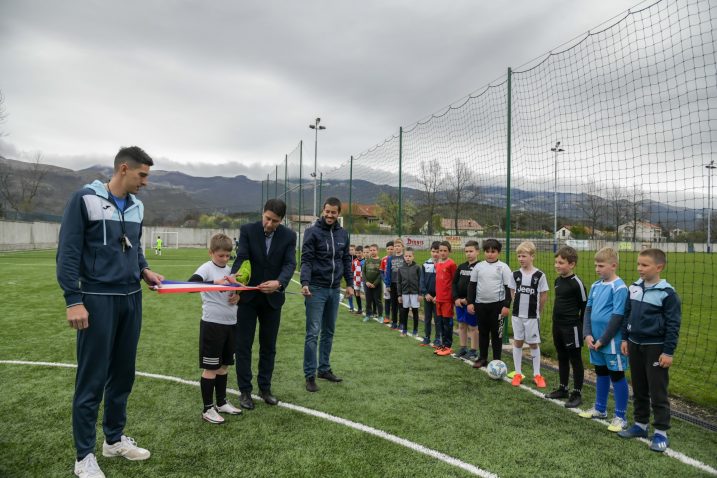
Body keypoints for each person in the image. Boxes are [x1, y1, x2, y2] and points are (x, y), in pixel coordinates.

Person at [57, 146, 164, 478]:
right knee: (92, 378)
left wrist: (144, 269)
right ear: (123, 169)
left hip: (131, 299)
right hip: (97, 298)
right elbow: (68, 251)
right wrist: (73, 299)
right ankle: (84, 456)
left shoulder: (137, 206)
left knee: (123, 374)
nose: (145, 182)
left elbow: (136, 246)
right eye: (141, 175)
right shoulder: (84, 200)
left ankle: (114, 439)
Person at [230, 199, 296, 409]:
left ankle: (265, 388)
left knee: (269, 347)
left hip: (272, 300)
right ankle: (245, 391)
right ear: (262, 213)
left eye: (274, 221)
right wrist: (236, 285)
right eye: (267, 219)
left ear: (281, 220)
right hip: (248, 299)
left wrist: (279, 283)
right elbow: (242, 258)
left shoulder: (289, 236)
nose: (269, 224)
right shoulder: (248, 230)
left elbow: (289, 263)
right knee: (243, 346)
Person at [618, 249, 682, 452]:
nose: (639, 268)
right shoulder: (634, 287)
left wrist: (668, 352)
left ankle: (661, 432)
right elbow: (627, 314)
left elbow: (673, 325)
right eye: (638, 264)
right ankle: (640, 424)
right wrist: (625, 338)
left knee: (657, 390)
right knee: (638, 387)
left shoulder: (668, 294)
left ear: (659, 267)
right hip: (634, 345)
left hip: (656, 348)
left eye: (644, 265)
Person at [188, 233, 243, 423]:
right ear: (211, 252)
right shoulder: (207, 268)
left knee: (224, 366)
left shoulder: (230, 270)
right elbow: (190, 286)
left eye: (228, 255)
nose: (225, 259)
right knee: (211, 368)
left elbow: (235, 293)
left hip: (231, 324)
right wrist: (214, 283)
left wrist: (238, 296)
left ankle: (221, 403)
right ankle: (207, 409)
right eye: (221, 255)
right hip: (212, 325)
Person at [301, 197, 354, 392]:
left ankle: (324, 369)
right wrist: (305, 282)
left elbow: (346, 260)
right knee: (313, 333)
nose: (330, 215)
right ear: (323, 211)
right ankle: (310, 375)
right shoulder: (312, 232)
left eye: (334, 212)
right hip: (316, 288)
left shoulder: (343, 234)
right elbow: (306, 259)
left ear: (339, 213)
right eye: (327, 212)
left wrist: (349, 283)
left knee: (329, 332)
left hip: (334, 290)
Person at [578, 247, 630, 433]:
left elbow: (618, 317)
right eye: (595, 265)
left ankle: (621, 416)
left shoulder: (620, 287)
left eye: (601, 265)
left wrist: (604, 339)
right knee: (600, 372)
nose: (597, 269)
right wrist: (587, 334)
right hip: (595, 340)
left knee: (617, 375)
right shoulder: (595, 285)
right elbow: (588, 311)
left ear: (613, 265)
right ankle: (600, 408)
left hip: (612, 343)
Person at [545, 246, 587, 408]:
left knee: (575, 359)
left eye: (561, 263)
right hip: (558, 326)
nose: (557, 265)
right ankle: (563, 388)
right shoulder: (557, 281)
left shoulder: (577, 284)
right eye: (556, 262)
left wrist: (583, 329)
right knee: (561, 356)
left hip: (572, 327)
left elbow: (585, 307)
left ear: (572, 264)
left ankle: (576, 393)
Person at [508, 241, 549, 388]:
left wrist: (539, 310)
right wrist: (516, 303)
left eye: (524, 255)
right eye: (519, 256)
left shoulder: (539, 275)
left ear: (532, 256)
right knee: (518, 341)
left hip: (532, 316)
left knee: (533, 343)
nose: (521, 258)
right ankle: (518, 373)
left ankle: (537, 374)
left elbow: (544, 294)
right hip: (517, 315)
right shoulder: (515, 274)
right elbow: (512, 291)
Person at [467, 238, 512, 368]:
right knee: (483, 333)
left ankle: (497, 360)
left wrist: (506, 305)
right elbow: (472, 285)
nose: (490, 254)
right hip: (481, 305)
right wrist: (470, 303)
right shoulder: (479, 266)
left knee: (496, 334)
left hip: (497, 307)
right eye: (487, 251)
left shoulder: (503, 267)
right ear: (484, 252)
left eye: (493, 251)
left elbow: (508, 288)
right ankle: (482, 358)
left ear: (498, 252)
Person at [452, 240, 480, 361]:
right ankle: (463, 347)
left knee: (473, 327)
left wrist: (469, 300)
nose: (468, 254)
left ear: (477, 252)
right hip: (459, 302)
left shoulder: (480, 267)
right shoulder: (461, 267)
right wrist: (456, 298)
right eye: (466, 251)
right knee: (462, 325)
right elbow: (454, 283)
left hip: (471, 303)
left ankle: (473, 350)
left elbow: (480, 286)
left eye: (471, 251)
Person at [434, 241, 457, 356]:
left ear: (449, 251)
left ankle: (448, 346)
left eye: (445, 251)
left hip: (447, 299)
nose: (442, 253)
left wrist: (453, 296)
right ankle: (443, 345)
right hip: (439, 299)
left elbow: (454, 281)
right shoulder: (437, 263)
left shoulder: (451, 264)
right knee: (441, 323)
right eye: (440, 251)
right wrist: (436, 295)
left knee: (447, 323)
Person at [419, 241, 441, 347]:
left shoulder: (443, 264)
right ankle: (427, 337)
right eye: (433, 251)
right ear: (430, 251)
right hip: (428, 296)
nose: (435, 254)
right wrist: (425, 293)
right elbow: (421, 280)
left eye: (437, 251)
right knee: (427, 317)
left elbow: (445, 282)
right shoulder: (425, 264)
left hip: (438, 297)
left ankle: (438, 338)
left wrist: (439, 295)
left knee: (438, 318)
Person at [397, 247, 421, 336]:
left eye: (409, 256)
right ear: (404, 257)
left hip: (415, 293)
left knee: (415, 311)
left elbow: (420, 281)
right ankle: (404, 330)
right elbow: (399, 282)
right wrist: (399, 295)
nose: (408, 258)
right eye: (406, 256)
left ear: (413, 257)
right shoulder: (400, 269)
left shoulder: (417, 267)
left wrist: (420, 293)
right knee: (404, 311)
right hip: (405, 293)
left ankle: (415, 330)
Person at [385, 238, 405, 329]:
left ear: (402, 247)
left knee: (401, 304)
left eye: (399, 246)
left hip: (402, 284)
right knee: (393, 304)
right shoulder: (390, 258)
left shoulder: (405, 257)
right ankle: (394, 322)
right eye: (395, 246)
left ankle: (401, 323)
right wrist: (388, 284)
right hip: (393, 283)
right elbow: (388, 271)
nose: (397, 248)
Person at [363, 244, 383, 322]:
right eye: (371, 250)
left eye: (374, 250)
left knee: (378, 301)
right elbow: (363, 272)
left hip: (377, 285)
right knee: (368, 301)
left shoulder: (380, 261)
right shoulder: (367, 260)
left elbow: (380, 274)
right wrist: (366, 282)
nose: (372, 252)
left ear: (377, 251)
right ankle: (368, 314)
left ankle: (380, 315)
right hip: (367, 285)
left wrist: (374, 283)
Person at [380, 241, 394, 324]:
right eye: (388, 249)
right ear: (386, 250)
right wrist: (385, 280)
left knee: (395, 300)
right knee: (387, 299)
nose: (390, 250)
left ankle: (395, 316)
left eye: (391, 249)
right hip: (386, 283)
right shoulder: (384, 259)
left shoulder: (397, 259)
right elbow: (381, 271)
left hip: (395, 283)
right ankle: (387, 316)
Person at [352, 245, 364, 315]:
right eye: (356, 253)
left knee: (367, 294)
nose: (358, 254)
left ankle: (370, 309)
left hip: (364, 280)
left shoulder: (365, 260)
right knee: (357, 293)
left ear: (362, 252)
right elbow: (353, 270)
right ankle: (360, 308)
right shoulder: (354, 261)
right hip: (356, 280)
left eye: (359, 253)